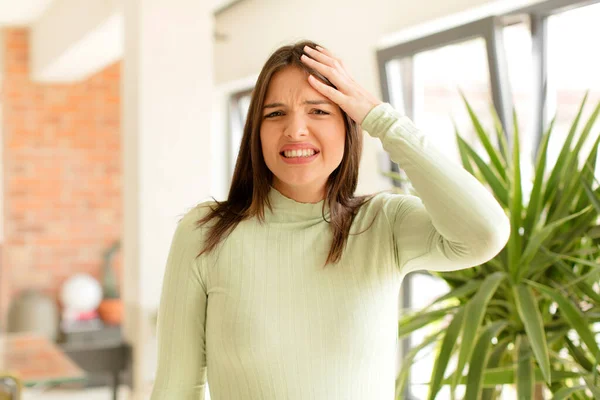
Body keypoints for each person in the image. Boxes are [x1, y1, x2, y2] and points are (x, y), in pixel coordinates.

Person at [149, 40, 510, 400]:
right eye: (275, 114)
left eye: (318, 111)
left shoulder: (383, 224)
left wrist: (379, 118)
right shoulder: (205, 233)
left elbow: (485, 233)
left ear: (348, 125)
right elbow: (175, 389)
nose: (296, 130)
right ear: (255, 133)